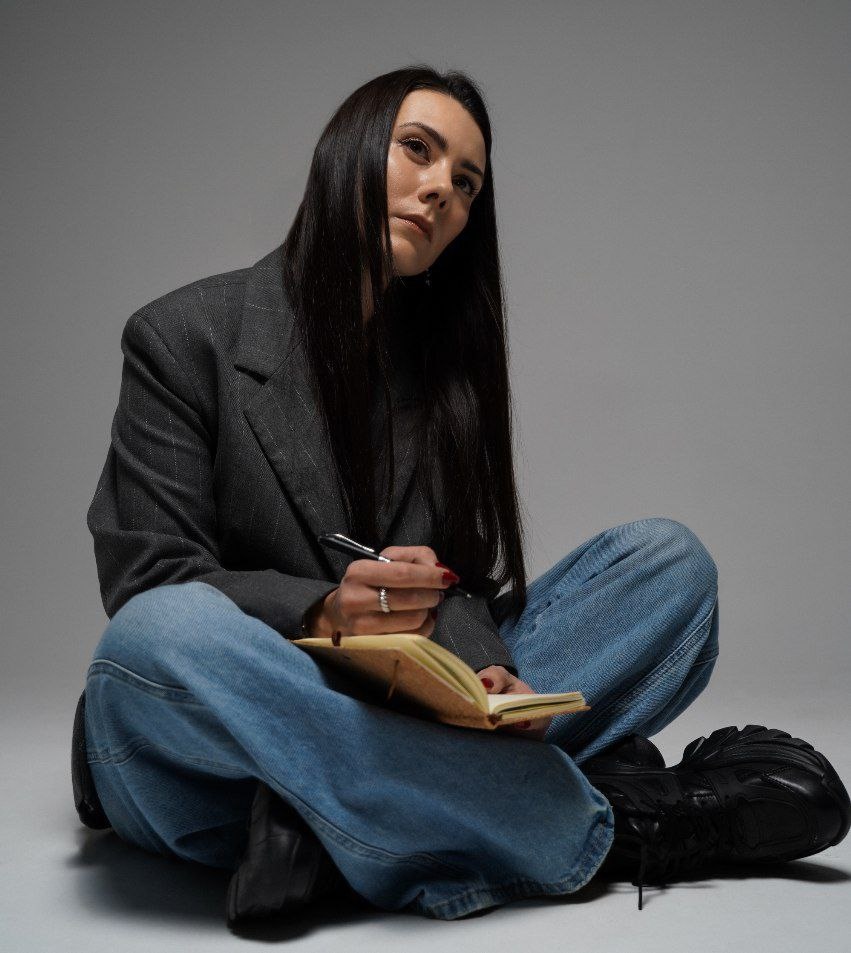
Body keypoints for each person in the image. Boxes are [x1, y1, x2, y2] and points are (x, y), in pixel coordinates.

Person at [73, 65, 850, 925]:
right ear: (348, 151)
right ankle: (625, 826)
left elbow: (463, 582)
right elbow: (150, 573)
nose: (441, 187)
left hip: (402, 706)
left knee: (670, 565)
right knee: (157, 631)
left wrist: (491, 670)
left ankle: (323, 830)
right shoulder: (182, 335)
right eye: (417, 149)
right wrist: (324, 610)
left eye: (467, 182)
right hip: (230, 729)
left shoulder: (443, 376)